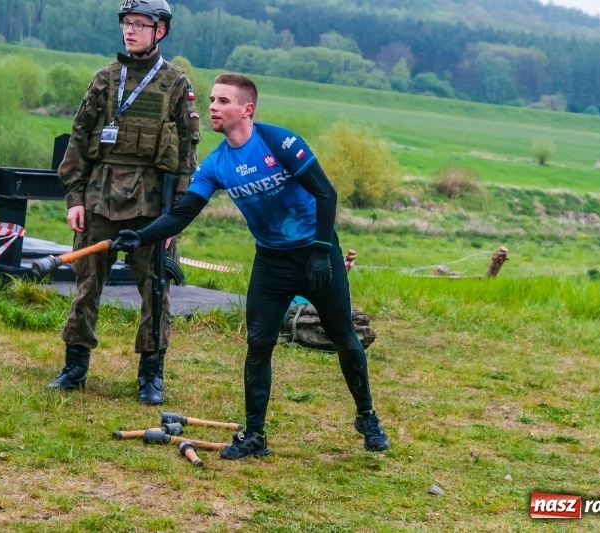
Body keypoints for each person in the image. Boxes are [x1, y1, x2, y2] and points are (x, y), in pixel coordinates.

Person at [113, 73, 390, 458]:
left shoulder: (279, 142)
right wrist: (142, 236)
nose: (212, 107)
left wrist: (321, 251)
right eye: (212, 100)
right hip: (272, 262)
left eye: (223, 101)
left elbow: (326, 194)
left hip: (317, 251)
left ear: (247, 109)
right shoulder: (216, 164)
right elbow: (181, 214)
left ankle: (367, 416)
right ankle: (255, 436)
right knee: (259, 344)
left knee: (343, 334)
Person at [50, 0, 200, 405]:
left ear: (160, 30)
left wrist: (176, 218)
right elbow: (79, 139)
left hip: (153, 206)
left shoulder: (176, 84)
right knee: (86, 284)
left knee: (155, 289)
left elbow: (188, 154)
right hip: (99, 199)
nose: (129, 30)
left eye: (139, 24)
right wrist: (74, 198)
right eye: (126, 23)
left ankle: (151, 373)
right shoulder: (105, 79)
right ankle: (74, 366)